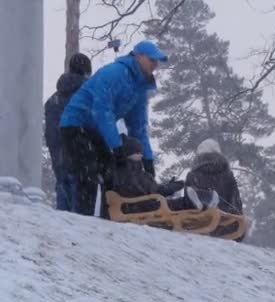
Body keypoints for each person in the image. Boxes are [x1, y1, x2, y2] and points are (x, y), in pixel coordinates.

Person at [59, 40, 168, 215]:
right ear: (139, 56)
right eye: (152, 59)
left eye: (157, 61)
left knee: (111, 173)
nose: (155, 64)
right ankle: (82, 219)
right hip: (75, 124)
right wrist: (116, 146)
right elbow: (102, 111)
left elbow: (138, 127)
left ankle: (110, 218)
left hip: (95, 128)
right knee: (88, 173)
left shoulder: (140, 89)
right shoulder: (115, 73)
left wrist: (148, 160)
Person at [44, 53, 91, 211]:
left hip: (57, 149)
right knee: (79, 188)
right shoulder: (86, 94)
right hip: (79, 147)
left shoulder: (53, 99)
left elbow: (50, 130)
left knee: (62, 184)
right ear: (86, 71)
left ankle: (63, 225)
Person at [112, 135, 203, 213]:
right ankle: (193, 204)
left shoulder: (136, 172)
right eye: (137, 152)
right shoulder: (127, 172)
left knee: (167, 203)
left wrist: (170, 187)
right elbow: (152, 190)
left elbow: (153, 189)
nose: (141, 155)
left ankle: (198, 203)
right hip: (138, 207)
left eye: (141, 152)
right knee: (173, 204)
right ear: (128, 154)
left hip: (142, 204)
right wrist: (169, 187)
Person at [185, 138, 244, 239]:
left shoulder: (192, 175)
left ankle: (205, 209)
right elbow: (236, 201)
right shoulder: (228, 175)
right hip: (226, 223)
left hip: (198, 221)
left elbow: (187, 202)